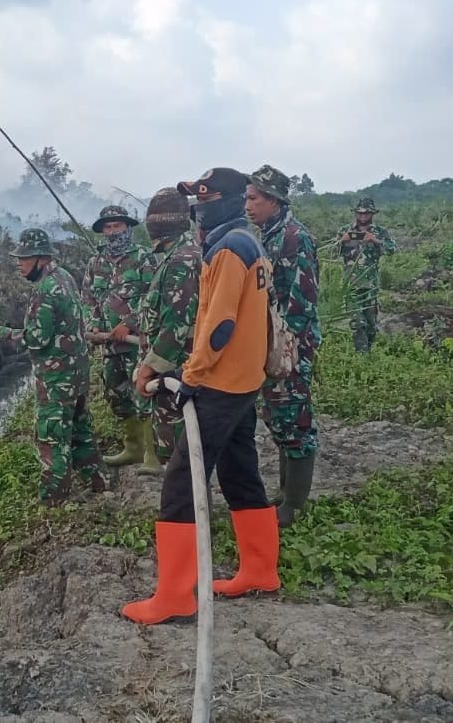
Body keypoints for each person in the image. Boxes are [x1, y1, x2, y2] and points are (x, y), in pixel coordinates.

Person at [124, 168, 280, 625]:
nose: (198, 209)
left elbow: (220, 324)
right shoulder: (248, 242)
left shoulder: (229, 249)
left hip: (222, 382)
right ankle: (259, 570)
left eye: (206, 200)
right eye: (195, 201)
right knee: (239, 471)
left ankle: (174, 597)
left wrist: (191, 375)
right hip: (244, 380)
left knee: (180, 483)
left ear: (228, 202)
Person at [0, 229, 106, 504]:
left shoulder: (43, 291)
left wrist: (5, 333)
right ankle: (99, 482)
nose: (19, 263)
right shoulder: (65, 278)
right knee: (81, 431)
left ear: (41, 258)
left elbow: (37, 339)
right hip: (77, 374)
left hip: (55, 379)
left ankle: (53, 500)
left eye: (24, 258)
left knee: (52, 438)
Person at [245, 165, 322, 528]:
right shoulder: (268, 236)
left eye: (254, 199)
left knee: (295, 419)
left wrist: (285, 350)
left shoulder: (294, 237)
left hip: (290, 347)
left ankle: (294, 504)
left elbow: (302, 303)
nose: (248, 206)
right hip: (272, 343)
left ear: (274, 201)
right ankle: (285, 491)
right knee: (277, 417)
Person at [81, 205, 158, 468]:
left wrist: (130, 323)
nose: (113, 231)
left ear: (128, 227)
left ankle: (152, 454)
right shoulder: (95, 262)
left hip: (138, 343)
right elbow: (88, 298)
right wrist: (93, 325)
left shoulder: (144, 258)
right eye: (108, 227)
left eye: (118, 226)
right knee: (116, 395)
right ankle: (132, 448)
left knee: (144, 392)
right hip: (109, 344)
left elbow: (153, 296)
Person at [133, 188, 200, 468]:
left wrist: (148, 369)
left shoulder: (181, 261)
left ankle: (186, 507)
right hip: (175, 370)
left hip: (176, 371)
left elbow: (175, 327)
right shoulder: (179, 256)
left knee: (180, 451)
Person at [337, 197, 396, 353]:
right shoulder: (345, 230)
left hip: (370, 285)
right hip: (351, 285)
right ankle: (361, 356)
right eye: (360, 213)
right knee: (357, 323)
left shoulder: (380, 231)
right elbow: (331, 251)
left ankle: (367, 352)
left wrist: (376, 241)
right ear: (356, 213)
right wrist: (341, 242)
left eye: (366, 214)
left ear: (372, 214)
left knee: (370, 324)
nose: (363, 217)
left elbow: (391, 250)